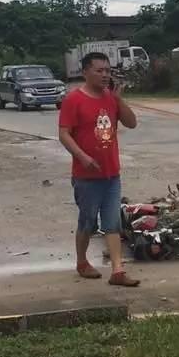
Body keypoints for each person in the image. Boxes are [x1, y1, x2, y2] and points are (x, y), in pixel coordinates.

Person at [58, 52, 140, 287]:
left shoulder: (110, 98)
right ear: (85, 72)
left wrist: (118, 99)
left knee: (113, 222)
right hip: (86, 177)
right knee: (88, 223)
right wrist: (82, 157)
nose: (105, 75)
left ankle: (117, 271)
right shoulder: (74, 100)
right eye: (99, 70)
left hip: (111, 173)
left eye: (108, 70)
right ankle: (82, 262)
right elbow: (64, 134)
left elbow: (132, 123)